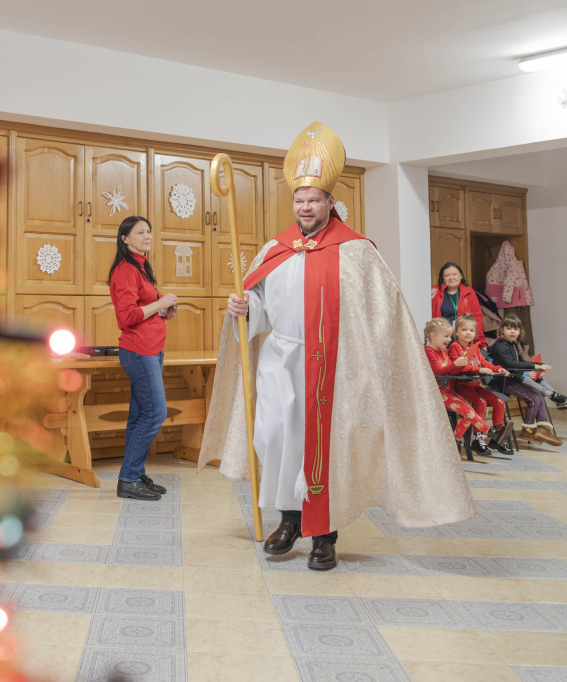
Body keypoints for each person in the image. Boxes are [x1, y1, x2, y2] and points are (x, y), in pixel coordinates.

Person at [198, 121, 475, 571]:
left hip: (333, 367)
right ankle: (288, 520)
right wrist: (243, 307)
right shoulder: (276, 248)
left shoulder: (357, 252)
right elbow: (261, 307)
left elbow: (382, 318)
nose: (306, 206)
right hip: (279, 360)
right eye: (300, 200)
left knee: (325, 447)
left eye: (314, 200)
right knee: (275, 440)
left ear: (330, 202)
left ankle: (323, 535)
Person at [108, 216, 178, 501]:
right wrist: (160, 303)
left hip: (152, 348)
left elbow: (142, 309)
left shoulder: (141, 267)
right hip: (139, 350)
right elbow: (126, 317)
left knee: (139, 415)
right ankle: (128, 477)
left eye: (149, 230)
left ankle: (134, 475)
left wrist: (163, 310)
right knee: (156, 413)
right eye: (140, 232)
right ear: (125, 238)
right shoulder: (126, 270)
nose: (147, 235)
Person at [424, 318, 505, 448]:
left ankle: (455, 441)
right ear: (433, 336)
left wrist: (461, 365)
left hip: (448, 391)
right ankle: (491, 431)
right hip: (438, 392)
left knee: (469, 412)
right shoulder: (429, 351)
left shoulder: (443, 352)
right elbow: (438, 371)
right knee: (469, 411)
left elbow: (450, 372)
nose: (449, 339)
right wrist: (456, 364)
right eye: (446, 336)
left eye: (449, 336)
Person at [490, 315, 562, 446]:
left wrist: (538, 366)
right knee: (534, 398)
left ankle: (543, 430)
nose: (513, 332)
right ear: (502, 330)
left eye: (516, 329)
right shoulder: (501, 346)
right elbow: (511, 364)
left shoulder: (512, 345)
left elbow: (521, 362)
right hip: (504, 382)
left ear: (520, 331)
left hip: (514, 380)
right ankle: (528, 429)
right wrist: (535, 366)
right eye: (509, 328)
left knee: (539, 396)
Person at [447, 314, 513, 456]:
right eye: (464, 329)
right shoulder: (455, 347)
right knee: (481, 402)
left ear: (475, 333)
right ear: (456, 332)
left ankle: (497, 438)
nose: (468, 333)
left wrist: (497, 368)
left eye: (471, 330)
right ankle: (478, 438)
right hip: (462, 387)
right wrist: (479, 370)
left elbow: (484, 363)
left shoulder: (475, 348)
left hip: (476, 385)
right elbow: (460, 368)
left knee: (499, 402)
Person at [431, 262, 484, 344]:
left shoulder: (469, 292)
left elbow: (477, 318)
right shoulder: (434, 292)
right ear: (442, 278)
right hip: (441, 340)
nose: (451, 278)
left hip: (464, 340)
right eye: (447, 275)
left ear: (461, 276)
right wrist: (430, 299)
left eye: (454, 274)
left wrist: (481, 342)